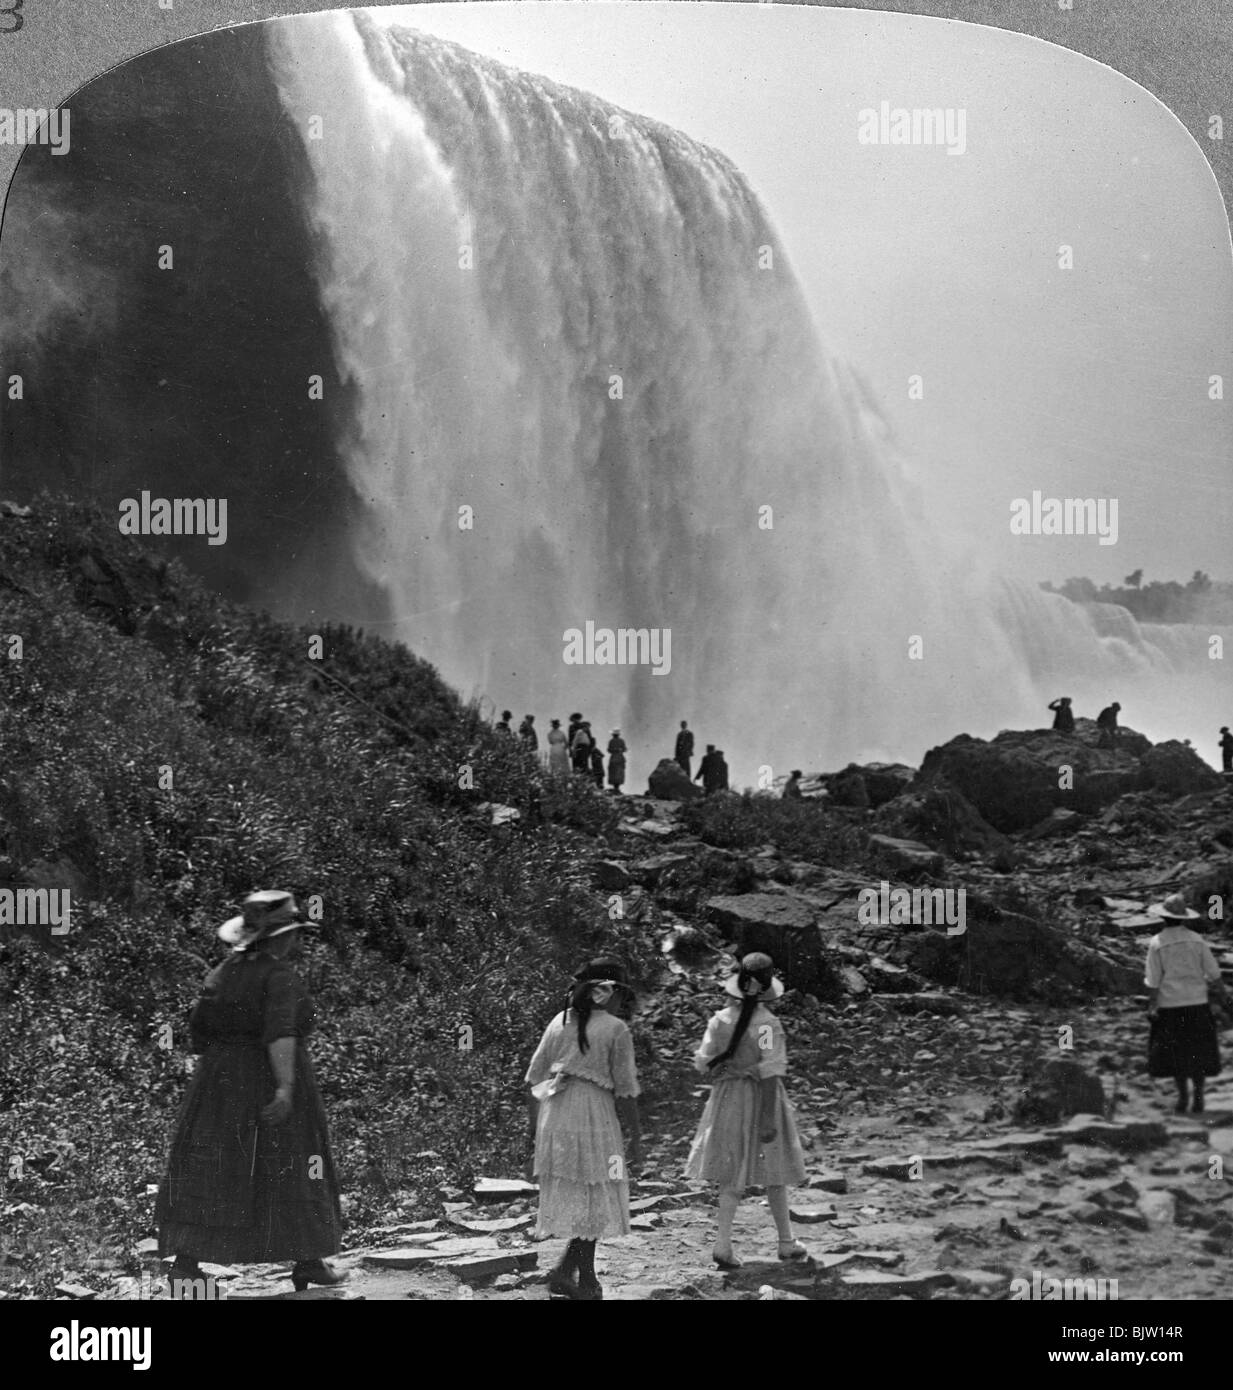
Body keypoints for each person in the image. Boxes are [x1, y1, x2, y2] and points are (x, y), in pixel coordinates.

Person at [156, 891, 345, 1296]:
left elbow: (198, 1034)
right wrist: (284, 1087)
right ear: (282, 937)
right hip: (267, 1075)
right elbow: (280, 1033)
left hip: (217, 1084)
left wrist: (223, 1067)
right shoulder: (279, 976)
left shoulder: (221, 973)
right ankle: (309, 1258)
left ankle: (186, 1265)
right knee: (294, 1160)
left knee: (214, 1166)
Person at [525, 959, 642, 1301]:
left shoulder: (558, 1022)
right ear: (607, 994)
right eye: (620, 993)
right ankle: (581, 1276)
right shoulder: (615, 1029)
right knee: (594, 1190)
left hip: (555, 1111)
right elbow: (626, 1089)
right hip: (593, 1113)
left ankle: (571, 1272)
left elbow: (533, 1078)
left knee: (583, 1191)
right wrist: (636, 1137)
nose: (622, 1002)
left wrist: (534, 1132)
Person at [684, 953, 808, 1268]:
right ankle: (784, 1241)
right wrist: (768, 1117)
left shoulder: (720, 1020)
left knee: (732, 1168)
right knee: (775, 1166)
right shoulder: (767, 1024)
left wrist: (729, 1068)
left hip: (728, 1097)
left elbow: (703, 1062)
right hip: (763, 1097)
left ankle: (723, 1242)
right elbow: (771, 1071)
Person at [1145, 894, 1227, 1114]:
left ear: (1163, 918)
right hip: (1197, 1002)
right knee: (1198, 1051)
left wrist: (1152, 1004)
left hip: (1170, 1004)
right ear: (1183, 918)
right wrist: (1223, 993)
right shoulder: (1197, 940)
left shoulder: (1156, 943)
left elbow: (1153, 979)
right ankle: (1198, 1096)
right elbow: (1213, 972)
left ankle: (1182, 1097)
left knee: (1176, 1053)